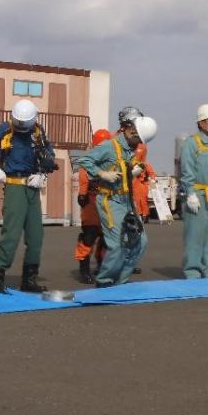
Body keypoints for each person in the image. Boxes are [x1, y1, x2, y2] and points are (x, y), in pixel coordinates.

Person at [0, 99, 57, 293]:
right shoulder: (5, 129)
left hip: (32, 186)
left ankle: (29, 279)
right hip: (14, 185)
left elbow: (49, 153)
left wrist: (42, 173)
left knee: (36, 235)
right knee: (11, 234)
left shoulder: (38, 131)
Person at [77, 114, 158, 287]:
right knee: (117, 245)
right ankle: (105, 281)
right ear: (130, 130)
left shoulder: (130, 149)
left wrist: (136, 169)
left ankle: (121, 279)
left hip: (127, 200)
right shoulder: (109, 146)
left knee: (141, 241)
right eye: (137, 138)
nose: (138, 144)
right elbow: (84, 160)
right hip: (110, 200)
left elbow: (132, 166)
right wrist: (102, 173)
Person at [180, 104, 208, 279]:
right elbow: (186, 170)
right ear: (202, 122)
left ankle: (206, 268)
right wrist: (190, 192)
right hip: (197, 194)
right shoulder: (192, 143)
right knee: (195, 235)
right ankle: (192, 270)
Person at [75, 128, 111, 284]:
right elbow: (83, 174)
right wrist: (82, 194)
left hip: (107, 200)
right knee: (89, 235)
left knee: (106, 237)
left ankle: (101, 265)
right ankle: (84, 269)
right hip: (91, 200)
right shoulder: (90, 159)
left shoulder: (111, 159)